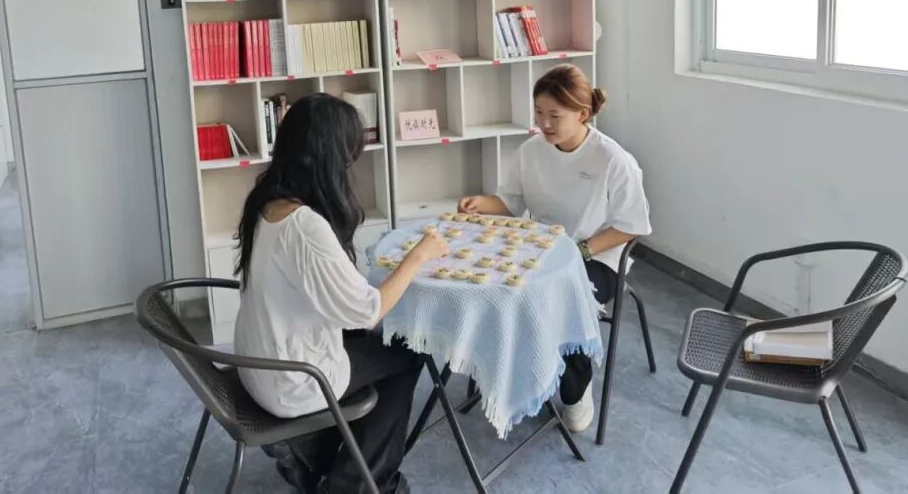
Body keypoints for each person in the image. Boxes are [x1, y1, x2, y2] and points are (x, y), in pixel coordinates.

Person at [234, 93, 448, 494]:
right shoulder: (305, 226)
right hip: (294, 379)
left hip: (257, 362)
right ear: (327, 158)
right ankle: (359, 483)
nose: (351, 167)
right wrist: (419, 256)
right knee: (408, 350)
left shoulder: (265, 201)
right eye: (348, 157)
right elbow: (367, 310)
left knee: (374, 342)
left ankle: (326, 458)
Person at [457, 65, 651, 432]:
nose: (544, 123)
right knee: (498, 289)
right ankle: (518, 372)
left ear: (582, 113)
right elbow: (511, 203)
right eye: (539, 113)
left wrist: (581, 251)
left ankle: (575, 388)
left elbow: (632, 226)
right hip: (540, 250)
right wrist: (481, 204)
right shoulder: (531, 151)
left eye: (554, 115)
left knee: (561, 301)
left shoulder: (611, 159)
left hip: (598, 257)